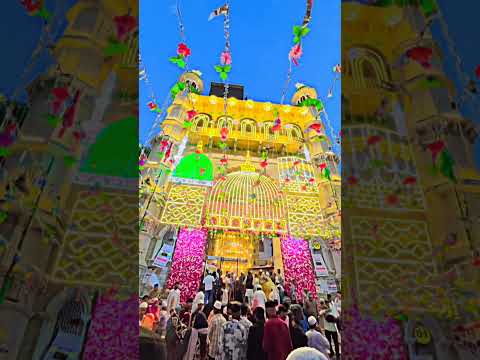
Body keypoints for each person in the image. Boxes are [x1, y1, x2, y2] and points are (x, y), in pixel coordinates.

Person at [322, 295, 340, 359]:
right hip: (327, 329)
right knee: (329, 342)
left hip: (333, 329)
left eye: (327, 301)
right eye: (325, 302)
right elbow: (325, 317)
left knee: (335, 343)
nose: (326, 303)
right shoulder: (323, 309)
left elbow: (336, 317)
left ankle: (337, 354)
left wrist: (335, 318)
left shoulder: (332, 308)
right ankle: (332, 352)